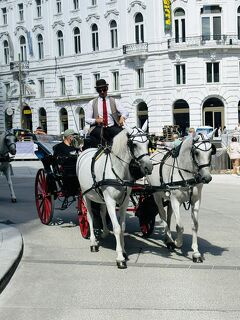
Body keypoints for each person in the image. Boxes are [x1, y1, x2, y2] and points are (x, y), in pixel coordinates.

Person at [85, 79, 129, 146]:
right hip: (98, 127)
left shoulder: (114, 101)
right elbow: (87, 119)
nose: (102, 92)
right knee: (102, 134)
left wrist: (123, 117)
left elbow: (125, 112)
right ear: (97, 91)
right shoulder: (91, 103)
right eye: (100, 90)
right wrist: (96, 120)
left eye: (104, 90)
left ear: (107, 89)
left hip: (111, 126)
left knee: (124, 134)